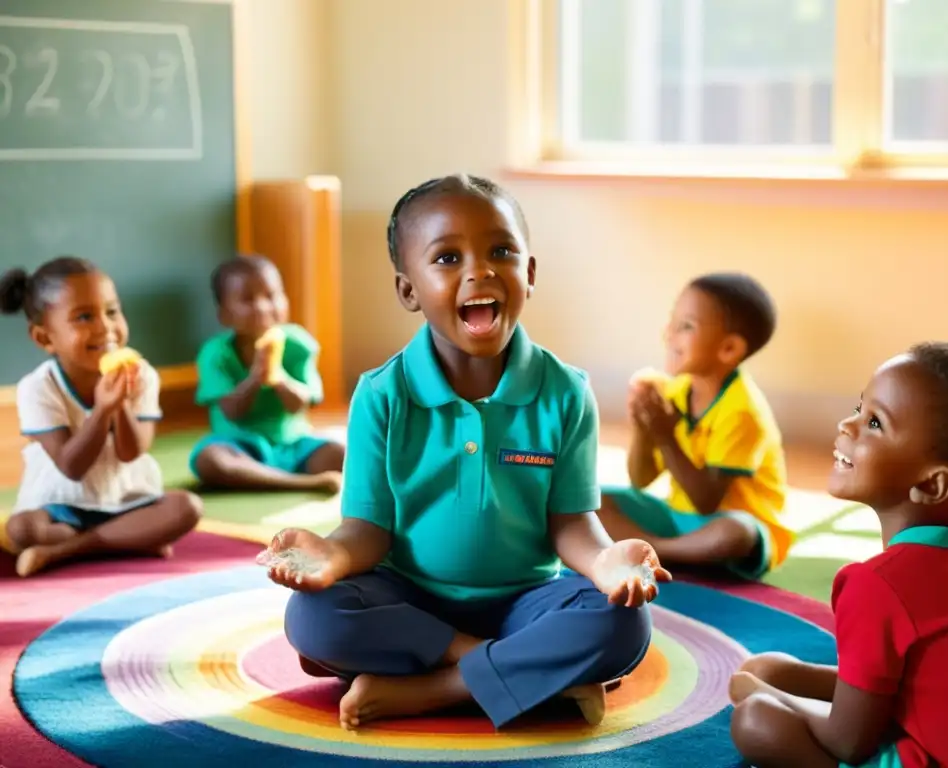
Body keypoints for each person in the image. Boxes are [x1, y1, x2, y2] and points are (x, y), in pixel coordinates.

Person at [261, 173, 668, 731]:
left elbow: (571, 521)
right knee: (315, 618)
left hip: (526, 602)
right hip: (410, 599)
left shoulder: (565, 391)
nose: (479, 270)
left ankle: (432, 689)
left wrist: (605, 563)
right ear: (409, 290)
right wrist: (330, 556)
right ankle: (523, 674)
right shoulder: (383, 394)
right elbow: (368, 529)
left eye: (500, 250)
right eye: (447, 258)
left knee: (623, 623)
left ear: (527, 273)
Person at [729, 342, 948, 767]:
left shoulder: (879, 586)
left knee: (756, 721)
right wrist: (785, 681)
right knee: (774, 666)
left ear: (932, 485)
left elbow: (847, 743)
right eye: (858, 407)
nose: (847, 425)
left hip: (936, 758)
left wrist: (766, 695)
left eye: (874, 422)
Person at [0, 256, 202, 577]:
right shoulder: (38, 388)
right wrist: (102, 409)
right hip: (64, 504)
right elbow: (72, 466)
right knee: (22, 529)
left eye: (111, 311)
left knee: (187, 508)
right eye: (83, 317)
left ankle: (69, 550)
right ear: (44, 338)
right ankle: (128, 540)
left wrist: (119, 404)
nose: (105, 327)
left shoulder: (142, 375)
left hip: (126, 498)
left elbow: (132, 452)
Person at [598, 272, 794, 580]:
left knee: (736, 532)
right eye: (672, 322)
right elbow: (640, 479)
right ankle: (664, 548)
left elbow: (706, 502)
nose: (669, 334)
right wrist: (643, 428)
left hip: (725, 525)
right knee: (592, 499)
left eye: (686, 326)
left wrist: (664, 435)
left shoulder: (743, 412)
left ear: (728, 349)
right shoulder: (677, 392)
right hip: (679, 520)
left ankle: (660, 550)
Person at [188, 255, 344, 493]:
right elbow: (231, 411)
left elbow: (299, 405)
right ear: (225, 315)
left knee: (342, 453)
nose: (262, 307)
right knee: (209, 460)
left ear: (286, 302)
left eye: (271, 296)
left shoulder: (298, 345)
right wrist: (255, 377)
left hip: (294, 445)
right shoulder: (215, 354)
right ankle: (302, 483)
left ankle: (265, 477)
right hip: (239, 445)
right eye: (247, 300)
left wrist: (278, 377)